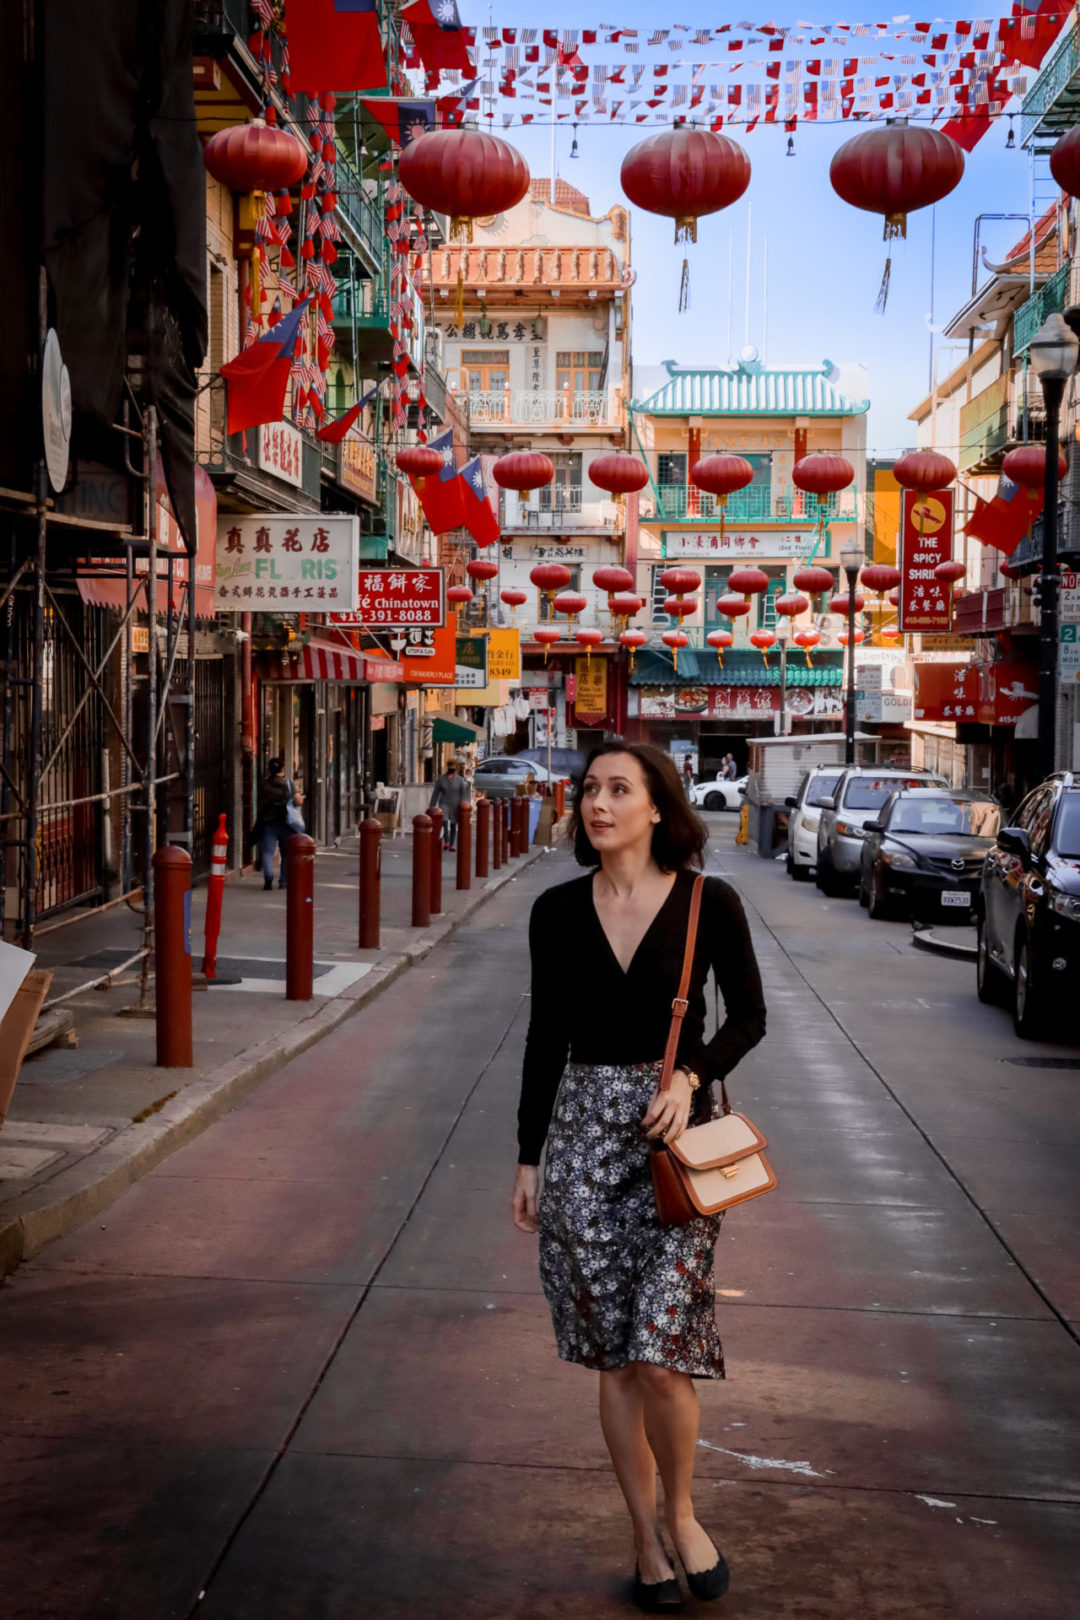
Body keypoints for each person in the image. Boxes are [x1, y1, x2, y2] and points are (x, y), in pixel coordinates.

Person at [512, 741, 766, 1611]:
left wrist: (690, 1075)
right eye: (589, 789)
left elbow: (751, 1017)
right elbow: (546, 1040)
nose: (598, 803)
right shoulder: (554, 912)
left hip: (672, 1146)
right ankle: (644, 1541)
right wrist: (528, 1157)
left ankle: (683, 1511)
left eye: (620, 789)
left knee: (662, 1351)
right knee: (615, 1361)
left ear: (658, 806)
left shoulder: (707, 901)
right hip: (581, 1145)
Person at [257, 758, 296, 891]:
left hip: (268, 822)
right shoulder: (288, 784)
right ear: (282, 769)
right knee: (286, 854)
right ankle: (283, 882)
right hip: (286, 822)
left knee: (268, 852)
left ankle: (268, 877)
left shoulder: (264, 784)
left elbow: (260, 800)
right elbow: (297, 801)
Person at [429, 759, 470, 850]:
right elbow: (436, 793)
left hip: (455, 804)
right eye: (450, 766)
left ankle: (451, 844)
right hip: (444, 802)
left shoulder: (460, 780)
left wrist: (463, 803)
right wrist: (431, 806)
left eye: (453, 766)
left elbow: (463, 793)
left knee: (453, 824)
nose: (451, 768)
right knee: (444, 821)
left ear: (456, 768)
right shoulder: (441, 778)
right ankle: (446, 842)